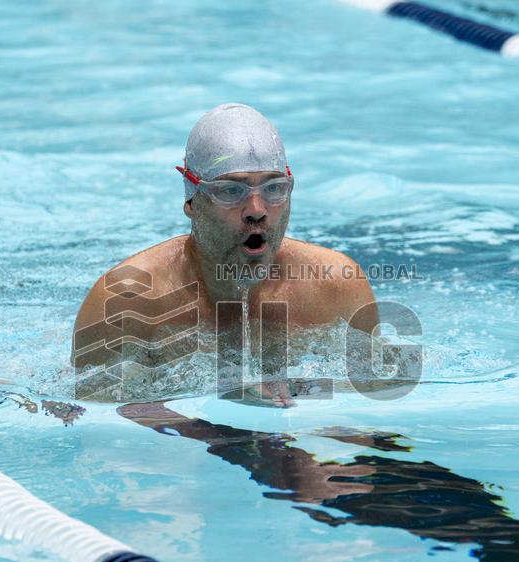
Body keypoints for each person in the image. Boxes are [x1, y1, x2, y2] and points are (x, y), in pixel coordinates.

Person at [72, 103, 379, 404]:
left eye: (274, 189)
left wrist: (307, 389)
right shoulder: (127, 300)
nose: (257, 211)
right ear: (192, 202)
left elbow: (375, 398)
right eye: (231, 191)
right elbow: (95, 424)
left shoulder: (336, 284)